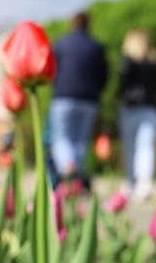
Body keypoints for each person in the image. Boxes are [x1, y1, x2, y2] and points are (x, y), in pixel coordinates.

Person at [49, 12, 107, 188]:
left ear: (72, 24)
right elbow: (104, 75)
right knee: (81, 140)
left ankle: (68, 169)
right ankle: (77, 178)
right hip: (88, 100)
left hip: (63, 97)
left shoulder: (60, 44)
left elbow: (50, 70)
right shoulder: (96, 47)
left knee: (61, 136)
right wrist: (96, 92)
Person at [119, 29, 156, 202]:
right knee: (146, 146)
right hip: (151, 108)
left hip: (131, 108)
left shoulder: (128, 62)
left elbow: (123, 85)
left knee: (131, 147)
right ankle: (144, 183)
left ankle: (132, 182)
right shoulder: (155, 62)